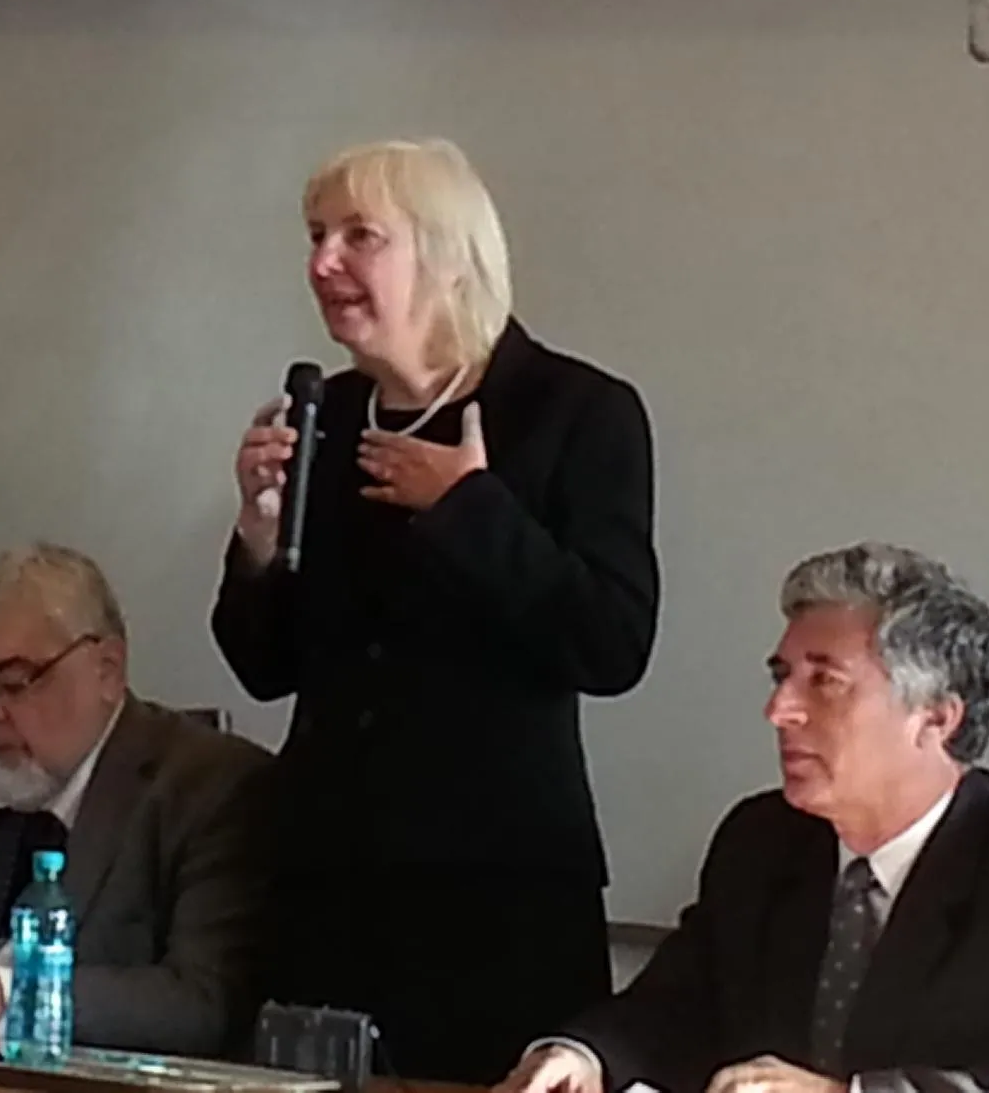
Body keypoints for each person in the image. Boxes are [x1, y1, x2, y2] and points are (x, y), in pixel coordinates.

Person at [210, 137, 659, 1081]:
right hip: (324, 888)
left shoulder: (576, 410)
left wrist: (467, 507)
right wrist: (256, 538)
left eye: (358, 236)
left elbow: (613, 643)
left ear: (449, 256)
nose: (322, 263)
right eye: (315, 235)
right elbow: (265, 665)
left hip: (495, 897)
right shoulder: (326, 416)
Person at [495, 542, 989, 1093]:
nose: (778, 710)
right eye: (780, 676)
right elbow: (679, 1005)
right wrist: (584, 1054)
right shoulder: (761, 840)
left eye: (824, 681)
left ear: (935, 718)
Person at [0, 543, 276, 1058]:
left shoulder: (211, 789)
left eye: (14, 684)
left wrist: (3, 1000)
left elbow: (206, 1004)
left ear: (107, 670)